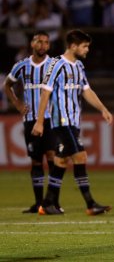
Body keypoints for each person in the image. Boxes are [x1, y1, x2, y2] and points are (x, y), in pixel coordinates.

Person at [31, 29, 113, 216]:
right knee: (80, 156)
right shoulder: (56, 64)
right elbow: (46, 92)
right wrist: (40, 121)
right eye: (84, 46)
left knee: (61, 161)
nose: (87, 50)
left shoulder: (78, 66)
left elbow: (87, 91)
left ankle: (47, 203)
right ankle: (90, 203)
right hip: (61, 120)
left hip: (74, 121)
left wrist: (103, 109)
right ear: (73, 46)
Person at [3, 31, 56, 213]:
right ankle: (39, 203)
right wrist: (17, 103)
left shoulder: (54, 65)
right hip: (29, 120)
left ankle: (53, 202)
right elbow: (7, 85)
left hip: (51, 120)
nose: (42, 45)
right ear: (32, 44)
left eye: (45, 42)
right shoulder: (22, 65)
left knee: (53, 158)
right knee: (36, 161)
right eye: (39, 41)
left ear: (49, 46)